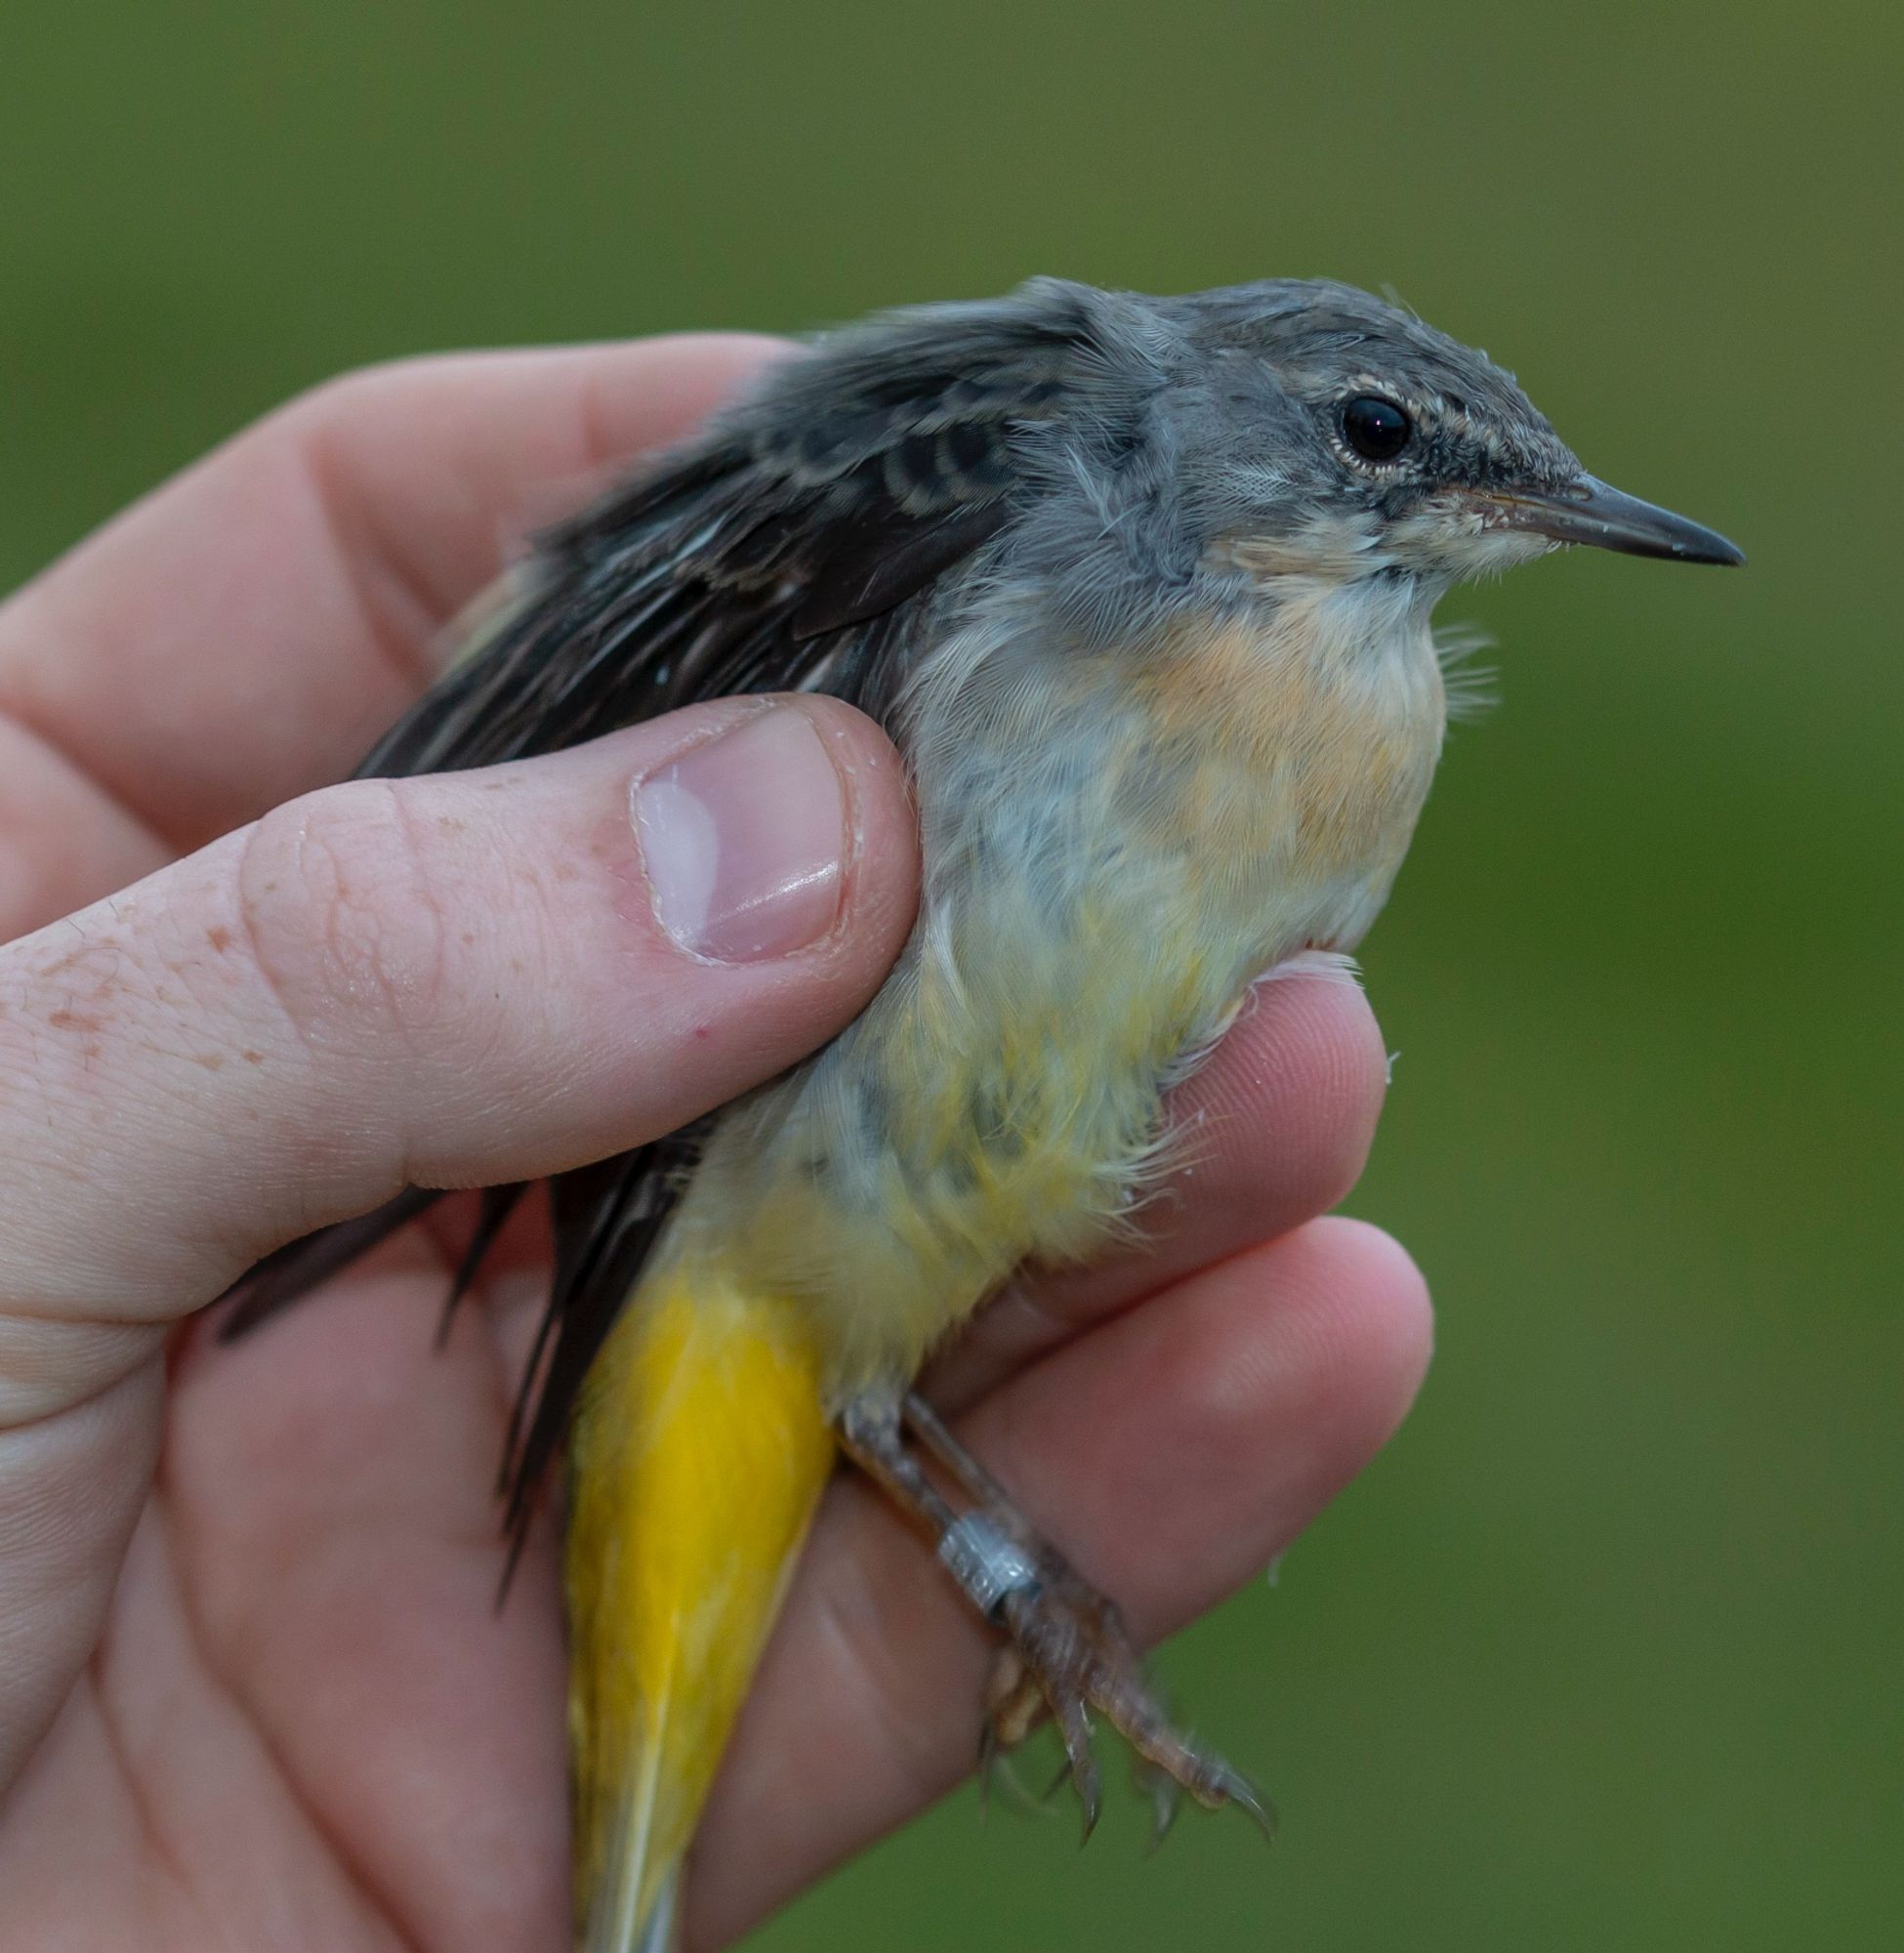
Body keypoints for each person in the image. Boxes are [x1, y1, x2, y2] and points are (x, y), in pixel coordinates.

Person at [0, 335, 1431, 1951]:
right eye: (1380, 440)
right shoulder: (1021, 464)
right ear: (1214, 416)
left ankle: (955, 1617)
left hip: (814, 1256)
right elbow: (610, 643)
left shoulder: (1362, 724)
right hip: (713, 1217)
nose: (1451, 500)